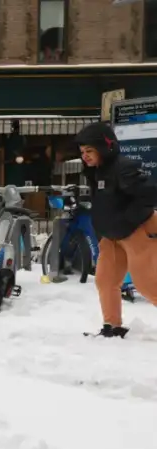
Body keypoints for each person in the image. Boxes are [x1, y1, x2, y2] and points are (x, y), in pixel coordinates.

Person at [76, 120, 157, 338]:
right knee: (106, 281)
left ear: (105, 147)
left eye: (90, 150)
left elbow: (149, 195)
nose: (85, 156)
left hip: (137, 232)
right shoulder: (97, 172)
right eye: (83, 151)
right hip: (111, 237)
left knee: (147, 283)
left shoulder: (124, 167)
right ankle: (112, 326)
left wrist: (127, 220)